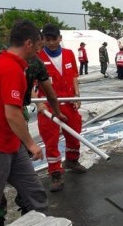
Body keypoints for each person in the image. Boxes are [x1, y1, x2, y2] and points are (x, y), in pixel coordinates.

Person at [0, 41, 66, 225]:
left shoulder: (26, 64)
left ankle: (37, 217)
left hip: (12, 138)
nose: (40, 50)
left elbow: (48, 92)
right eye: (38, 45)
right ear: (28, 43)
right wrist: (31, 143)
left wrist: (55, 111)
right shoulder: (7, 66)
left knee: (34, 192)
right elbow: (11, 113)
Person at [37, 24, 88, 193]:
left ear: (60, 38)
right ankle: (55, 173)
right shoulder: (37, 57)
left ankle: (72, 160)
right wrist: (38, 103)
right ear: (42, 40)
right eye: (47, 40)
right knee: (50, 139)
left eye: (54, 39)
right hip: (48, 106)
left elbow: (74, 75)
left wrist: (77, 96)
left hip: (68, 102)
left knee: (75, 131)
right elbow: (30, 82)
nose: (51, 43)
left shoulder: (68, 54)